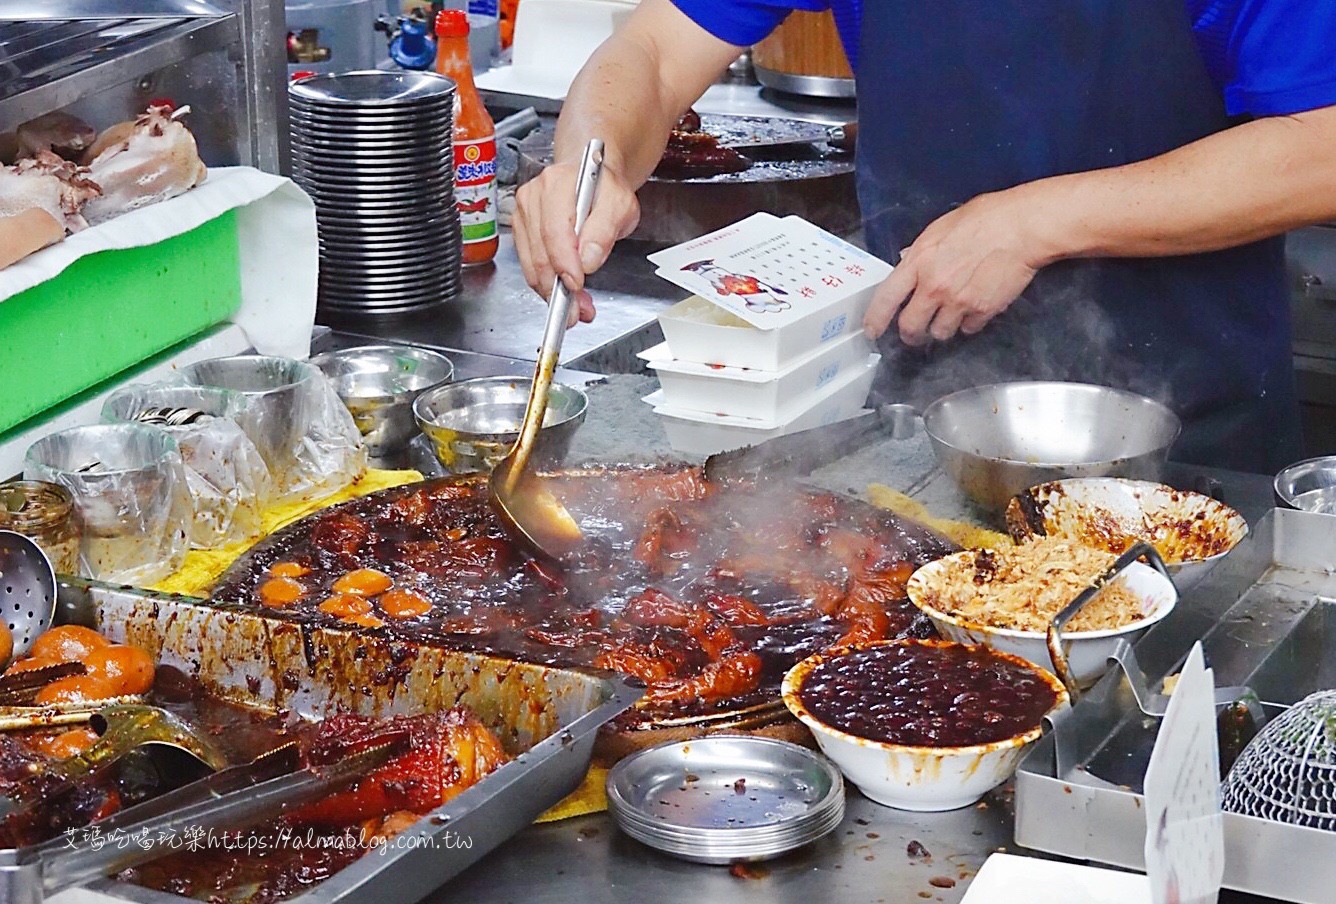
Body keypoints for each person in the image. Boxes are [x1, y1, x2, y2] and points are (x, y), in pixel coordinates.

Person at [514, 0, 1336, 474]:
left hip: (1180, 444)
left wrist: (1033, 223)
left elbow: (1321, 147)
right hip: (917, 423)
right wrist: (591, 165)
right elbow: (654, 50)